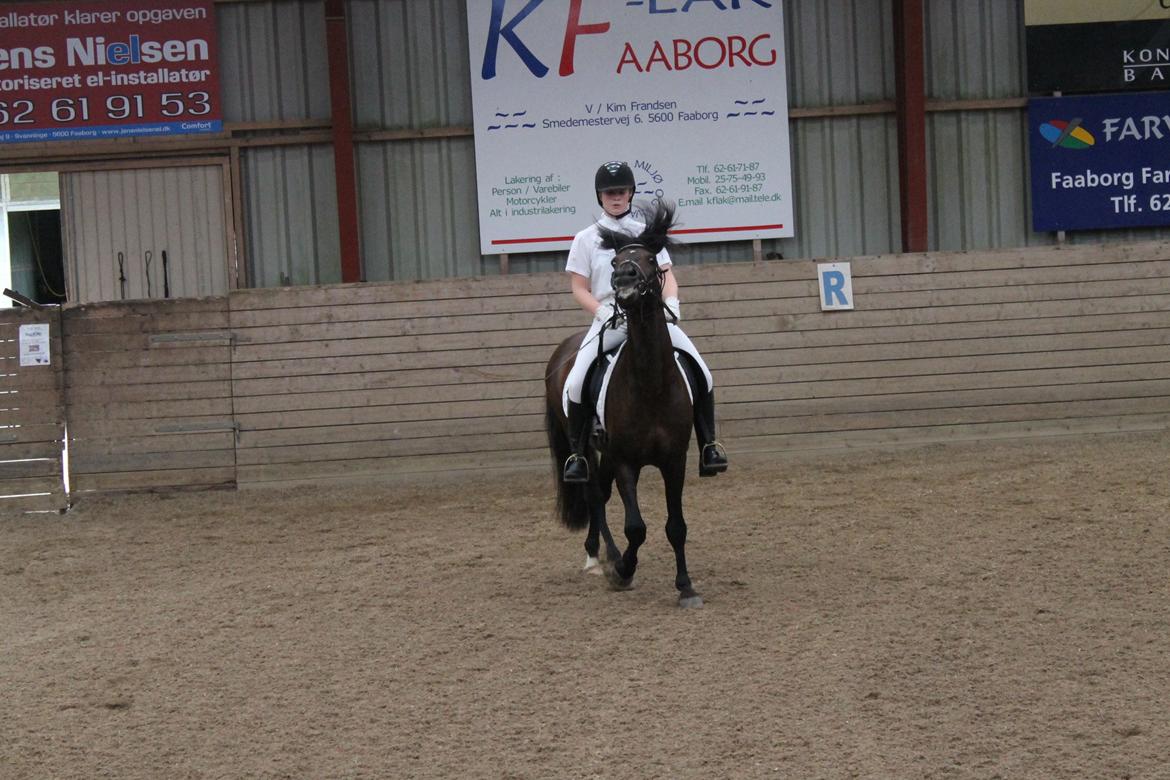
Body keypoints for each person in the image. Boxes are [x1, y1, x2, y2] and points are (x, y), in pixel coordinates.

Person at [561, 160, 729, 483]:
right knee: (576, 380)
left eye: (621, 191)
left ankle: (709, 445)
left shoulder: (646, 234)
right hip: (610, 319)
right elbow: (578, 288)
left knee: (701, 371)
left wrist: (672, 302)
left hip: (652, 318)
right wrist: (600, 311)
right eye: (609, 192)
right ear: (600, 196)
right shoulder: (586, 238)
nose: (616, 197)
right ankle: (578, 456)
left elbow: (667, 276)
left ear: (630, 192)